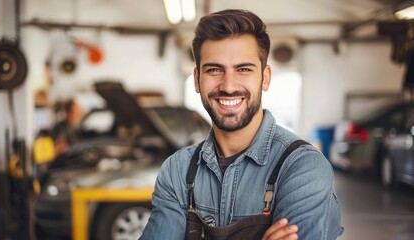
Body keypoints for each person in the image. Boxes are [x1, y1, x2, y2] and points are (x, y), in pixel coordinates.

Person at [140, 9, 343, 240]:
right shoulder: (177, 170)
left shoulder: (302, 167)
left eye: (243, 69)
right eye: (214, 70)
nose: (228, 85)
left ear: (265, 78)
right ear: (197, 79)